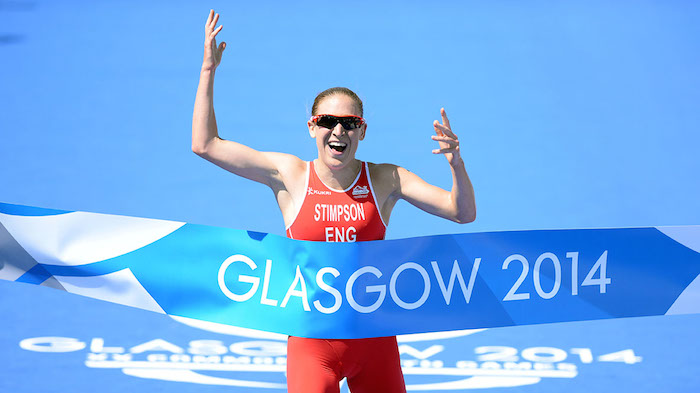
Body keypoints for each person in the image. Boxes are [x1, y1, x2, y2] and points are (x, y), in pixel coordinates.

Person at [192, 10, 476, 393]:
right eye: (327, 122)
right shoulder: (290, 175)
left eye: (349, 123)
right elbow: (205, 145)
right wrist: (208, 68)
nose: (337, 131)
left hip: (374, 341)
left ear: (362, 130)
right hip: (312, 342)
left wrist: (456, 165)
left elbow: (462, 213)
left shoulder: (385, 178)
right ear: (312, 127)